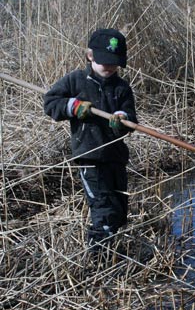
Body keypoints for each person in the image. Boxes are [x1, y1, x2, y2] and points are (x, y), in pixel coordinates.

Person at [44, 28, 138, 250]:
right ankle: (99, 258)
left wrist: (122, 121)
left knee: (118, 208)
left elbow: (131, 117)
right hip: (89, 156)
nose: (110, 67)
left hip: (115, 157)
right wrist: (73, 107)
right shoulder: (76, 81)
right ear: (90, 56)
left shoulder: (121, 88)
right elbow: (50, 103)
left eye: (115, 62)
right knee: (102, 209)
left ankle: (111, 247)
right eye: (105, 62)